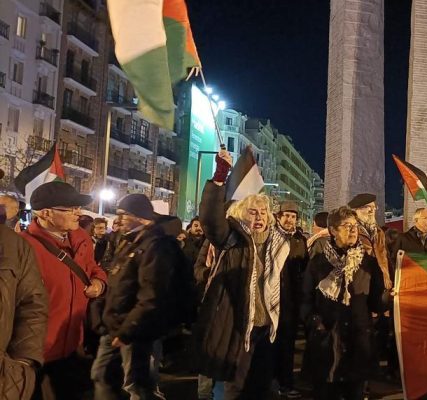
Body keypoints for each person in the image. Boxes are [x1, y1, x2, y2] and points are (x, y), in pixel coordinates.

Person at [193, 149, 298, 399]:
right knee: (230, 388)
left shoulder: (279, 244)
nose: (259, 216)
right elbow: (210, 218)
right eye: (253, 212)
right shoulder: (232, 238)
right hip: (236, 327)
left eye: (263, 212)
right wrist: (220, 175)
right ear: (241, 214)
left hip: (265, 329)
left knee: (259, 388)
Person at [93, 194, 186, 400]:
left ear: (141, 217)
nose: (118, 220)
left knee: (136, 384)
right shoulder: (131, 241)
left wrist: (127, 330)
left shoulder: (156, 246)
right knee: (102, 375)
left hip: (135, 330)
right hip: (117, 326)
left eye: (123, 215)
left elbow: (151, 294)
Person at [21, 182, 107, 400]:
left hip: (74, 347)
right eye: (70, 208)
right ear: (46, 213)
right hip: (38, 353)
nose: (78, 213)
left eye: (78, 207)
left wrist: (99, 283)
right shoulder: (23, 246)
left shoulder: (82, 239)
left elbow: (93, 268)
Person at [301, 207, 386, 400]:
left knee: (354, 393)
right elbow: (305, 298)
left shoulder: (368, 263)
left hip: (357, 340)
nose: (353, 230)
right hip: (327, 339)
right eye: (346, 226)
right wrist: (315, 323)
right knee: (324, 392)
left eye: (355, 226)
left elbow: (376, 304)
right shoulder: (318, 262)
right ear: (333, 230)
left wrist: (387, 297)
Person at [0, 223, 47, 400]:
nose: (77, 213)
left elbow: (32, 305)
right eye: (70, 209)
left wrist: (22, 365)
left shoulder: (12, 244)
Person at [274, 201, 310, 399]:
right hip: (272, 298)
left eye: (293, 216)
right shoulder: (271, 236)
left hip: (291, 301)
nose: (290, 220)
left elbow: (304, 267)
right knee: (270, 344)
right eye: (286, 215)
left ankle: (286, 383)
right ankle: (270, 380)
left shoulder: (299, 239)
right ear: (278, 217)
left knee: (287, 344)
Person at [348, 193, 391, 288]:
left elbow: (383, 256)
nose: (372, 210)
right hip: (358, 281)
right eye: (367, 207)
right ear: (356, 210)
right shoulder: (350, 230)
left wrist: (387, 276)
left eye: (374, 207)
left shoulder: (379, 232)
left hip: (378, 280)